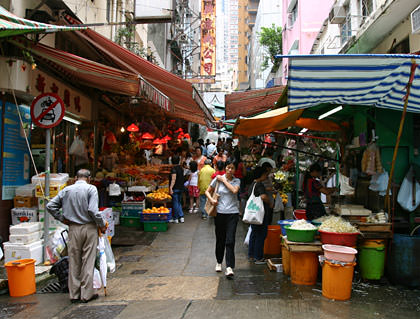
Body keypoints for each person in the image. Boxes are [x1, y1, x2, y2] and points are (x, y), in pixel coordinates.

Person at [46, 169, 107, 303]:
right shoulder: (91, 189)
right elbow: (93, 210)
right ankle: (86, 294)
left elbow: (50, 205)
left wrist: (62, 218)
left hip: (73, 228)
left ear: (75, 178)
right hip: (89, 228)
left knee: (74, 260)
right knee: (88, 260)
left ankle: (74, 294)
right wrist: (102, 224)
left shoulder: (67, 190)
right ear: (89, 178)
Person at [205, 161, 240, 278]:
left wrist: (224, 180)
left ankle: (229, 267)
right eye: (228, 168)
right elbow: (207, 191)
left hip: (233, 214)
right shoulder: (217, 179)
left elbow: (234, 190)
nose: (230, 170)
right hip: (219, 213)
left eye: (232, 168)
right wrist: (211, 200)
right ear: (225, 168)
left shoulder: (236, 181)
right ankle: (219, 262)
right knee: (220, 239)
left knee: (230, 240)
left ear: (235, 170)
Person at [247, 167, 274, 264]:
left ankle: (251, 255)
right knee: (261, 234)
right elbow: (263, 196)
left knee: (254, 233)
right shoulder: (259, 185)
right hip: (260, 214)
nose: (266, 176)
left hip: (254, 214)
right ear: (261, 174)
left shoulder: (253, 184)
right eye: (265, 174)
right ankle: (258, 257)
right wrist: (270, 203)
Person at [169, 155, 185, 223]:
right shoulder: (181, 168)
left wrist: (170, 187)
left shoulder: (173, 169)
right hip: (181, 187)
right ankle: (181, 217)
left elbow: (173, 179)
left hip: (175, 188)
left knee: (175, 203)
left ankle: (175, 218)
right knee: (179, 202)